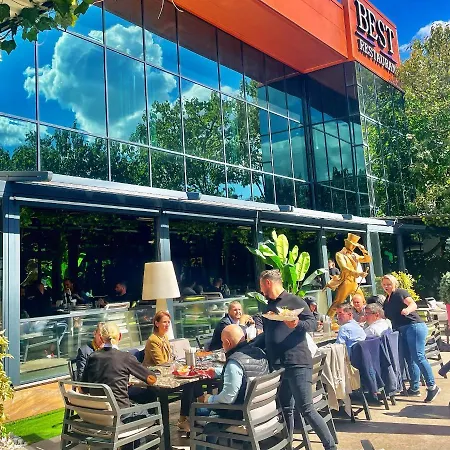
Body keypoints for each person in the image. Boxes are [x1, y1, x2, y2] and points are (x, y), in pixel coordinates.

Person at [257, 269, 337, 450]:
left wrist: (296, 323)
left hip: (297, 362)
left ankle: (331, 447)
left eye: (262, 286)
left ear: (268, 283)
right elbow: (267, 335)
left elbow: (312, 324)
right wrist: (245, 346)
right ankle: (288, 445)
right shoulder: (268, 307)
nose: (261, 290)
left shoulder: (294, 301)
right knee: (286, 407)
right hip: (278, 365)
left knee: (306, 408)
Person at [81, 322, 157, 438]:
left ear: (101, 337)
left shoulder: (92, 357)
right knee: (153, 407)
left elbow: (84, 388)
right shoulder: (125, 357)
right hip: (122, 415)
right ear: (120, 336)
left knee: (135, 403)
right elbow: (151, 379)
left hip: (99, 416)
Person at [196, 325, 269, 445]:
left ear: (227, 342)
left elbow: (228, 398)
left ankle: (211, 446)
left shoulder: (234, 362)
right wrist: (217, 371)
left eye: (222, 342)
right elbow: (244, 372)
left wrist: (209, 398)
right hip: (262, 412)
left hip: (239, 416)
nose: (222, 345)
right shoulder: (259, 352)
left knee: (197, 410)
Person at [381, 274, 440, 402]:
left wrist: (407, 310)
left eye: (389, 284)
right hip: (402, 329)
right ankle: (414, 388)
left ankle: (432, 386)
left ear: (394, 284)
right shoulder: (387, 300)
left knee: (418, 357)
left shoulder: (400, 293)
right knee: (409, 359)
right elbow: (384, 315)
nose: (386, 286)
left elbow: (413, 304)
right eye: (384, 284)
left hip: (413, 326)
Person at [143, 311, 204, 432]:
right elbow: (161, 363)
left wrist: (178, 365)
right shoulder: (153, 340)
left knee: (194, 381)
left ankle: (194, 414)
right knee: (189, 384)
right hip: (155, 378)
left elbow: (169, 359)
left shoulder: (164, 337)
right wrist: (177, 366)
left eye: (168, 322)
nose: (167, 325)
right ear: (156, 323)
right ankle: (184, 419)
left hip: (167, 374)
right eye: (164, 322)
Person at [324, 233, 372, 319]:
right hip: (346, 282)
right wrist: (359, 274)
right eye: (352, 245)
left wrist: (363, 250)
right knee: (338, 303)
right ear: (346, 243)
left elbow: (367, 259)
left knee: (362, 301)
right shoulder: (339, 254)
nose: (353, 247)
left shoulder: (354, 255)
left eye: (354, 245)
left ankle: (366, 317)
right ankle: (328, 320)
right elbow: (344, 268)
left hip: (354, 282)